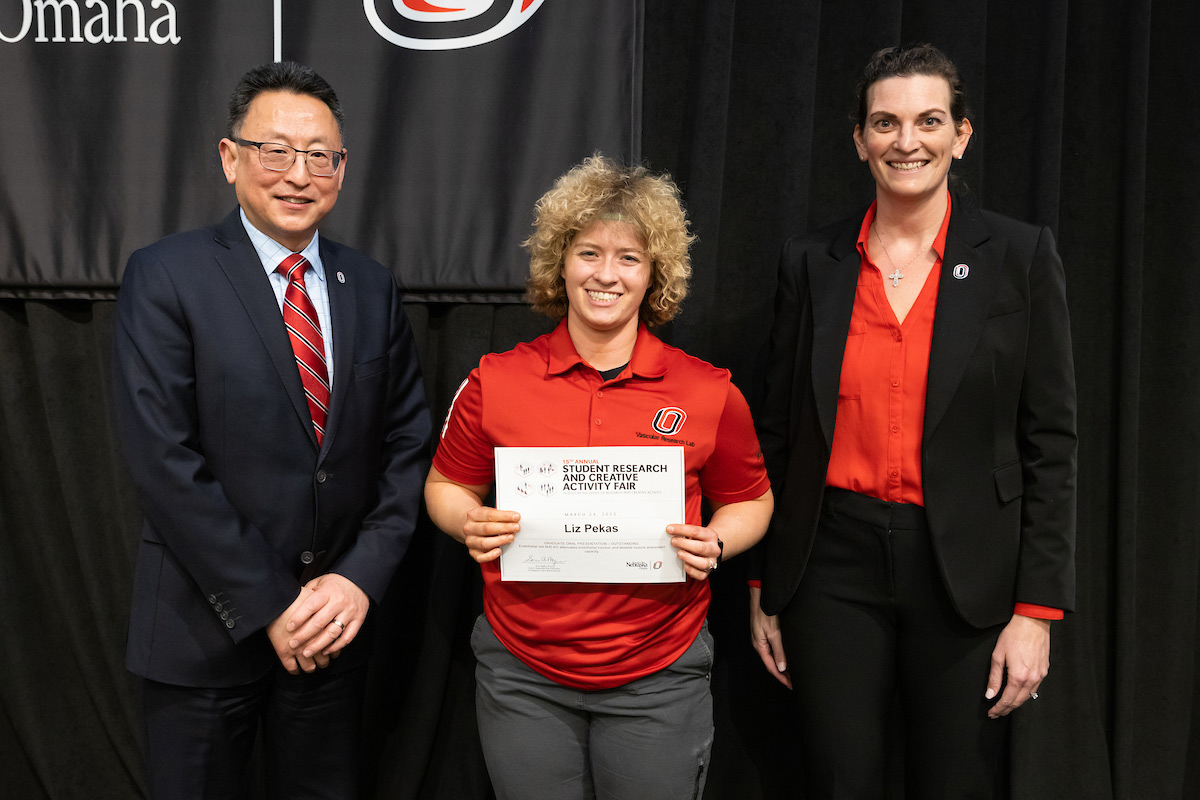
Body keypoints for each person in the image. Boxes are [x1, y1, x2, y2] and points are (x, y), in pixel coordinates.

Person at [750, 43, 1077, 798]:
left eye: (929, 121)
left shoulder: (1020, 256)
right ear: (859, 140)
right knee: (838, 780)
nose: (908, 141)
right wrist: (762, 581)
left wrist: (1036, 611)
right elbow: (778, 433)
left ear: (961, 134)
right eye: (885, 123)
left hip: (966, 571)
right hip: (830, 564)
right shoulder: (811, 260)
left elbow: (1051, 444)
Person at [112, 61, 430, 799]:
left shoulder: (373, 287)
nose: (298, 173)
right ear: (231, 158)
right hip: (203, 638)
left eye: (320, 154)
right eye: (275, 150)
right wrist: (270, 605)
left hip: (332, 639)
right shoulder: (166, 275)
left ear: (342, 169)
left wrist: (357, 581)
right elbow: (163, 460)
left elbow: (408, 446)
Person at [424, 155, 773, 799]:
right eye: (588, 252)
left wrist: (718, 540)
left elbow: (752, 498)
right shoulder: (495, 380)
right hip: (522, 671)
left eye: (629, 258)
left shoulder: (708, 391)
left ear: (654, 275)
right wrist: (466, 521)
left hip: (658, 673)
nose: (606, 274)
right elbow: (446, 486)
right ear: (560, 261)